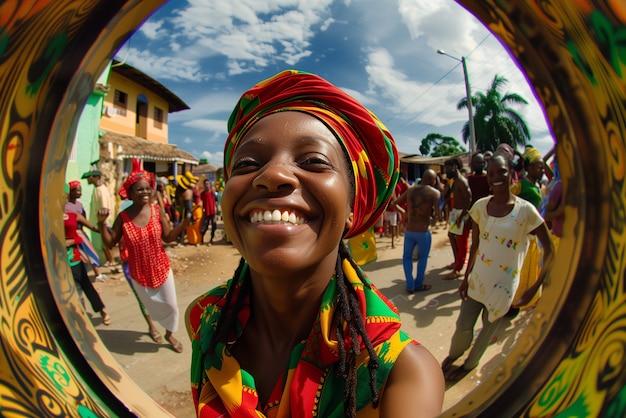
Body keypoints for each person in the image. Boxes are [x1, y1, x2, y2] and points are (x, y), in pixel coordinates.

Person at [186, 70, 444, 418]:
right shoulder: (206, 321)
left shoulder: (400, 374)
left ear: (354, 208)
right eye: (247, 164)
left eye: (313, 161)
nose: (272, 175)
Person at [441, 145, 554, 380]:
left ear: (510, 172)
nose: (496, 178)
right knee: (463, 328)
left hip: (503, 288)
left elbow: (551, 250)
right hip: (477, 282)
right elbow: (475, 246)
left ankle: (468, 366)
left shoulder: (527, 212)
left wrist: (534, 288)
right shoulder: (481, 207)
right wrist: (466, 278)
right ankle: (454, 355)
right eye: (491, 174)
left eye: (501, 172)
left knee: (486, 332)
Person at [98, 160, 190, 353]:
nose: (145, 192)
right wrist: (100, 224)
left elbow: (167, 237)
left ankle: (169, 333)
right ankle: (151, 326)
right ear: (130, 193)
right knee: (145, 303)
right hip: (137, 270)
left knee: (172, 305)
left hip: (161, 267)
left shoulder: (157, 211)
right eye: (140, 190)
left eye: (148, 188)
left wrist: (183, 223)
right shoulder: (123, 217)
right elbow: (110, 243)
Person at [394, 169, 441, 293]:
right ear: (432, 179)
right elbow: (437, 215)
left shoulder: (410, 190)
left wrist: (404, 213)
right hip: (423, 231)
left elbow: (395, 203)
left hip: (409, 231)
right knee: (423, 258)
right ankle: (418, 284)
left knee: (407, 257)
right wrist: (434, 218)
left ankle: (410, 285)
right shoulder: (434, 193)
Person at [64, 201, 110, 326]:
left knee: (86, 286)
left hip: (74, 259)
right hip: (59, 262)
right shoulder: (48, 219)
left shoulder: (73, 215)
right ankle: (82, 320)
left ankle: (102, 311)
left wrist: (102, 224)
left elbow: (88, 232)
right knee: (72, 293)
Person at [64, 180, 107, 282]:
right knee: (79, 257)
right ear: (71, 192)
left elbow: (84, 219)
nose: (80, 192)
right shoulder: (66, 207)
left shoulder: (79, 204)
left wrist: (101, 228)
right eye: (77, 190)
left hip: (80, 233)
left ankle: (97, 274)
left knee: (90, 254)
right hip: (72, 235)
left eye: (81, 190)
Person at [444, 157, 472, 280]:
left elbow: (469, 199)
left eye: (448, 168)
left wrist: (462, 216)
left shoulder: (461, 181)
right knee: (451, 235)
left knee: (462, 242)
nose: (446, 170)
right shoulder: (454, 181)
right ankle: (457, 262)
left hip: (461, 214)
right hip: (455, 214)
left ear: (455, 167)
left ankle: (458, 269)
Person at [82, 169, 117, 267]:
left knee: (105, 244)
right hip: (97, 222)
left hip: (102, 222)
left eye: (90, 177)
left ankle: (111, 261)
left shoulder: (102, 190)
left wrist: (104, 223)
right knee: (101, 244)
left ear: (95, 177)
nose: (89, 180)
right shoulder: (96, 189)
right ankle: (108, 261)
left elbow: (104, 208)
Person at [200, 179, 218, 245]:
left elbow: (216, 200)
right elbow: (201, 202)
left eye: (208, 184)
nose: (207, 185)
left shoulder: (213, 192)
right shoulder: (202, 194)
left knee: (214, 225)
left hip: (212, 211)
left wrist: (216, 207)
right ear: (204, 185)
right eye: (206, 184)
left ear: (210, 184)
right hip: (206, 212)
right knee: (205, 225)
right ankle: (201, 239)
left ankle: (211, 239)